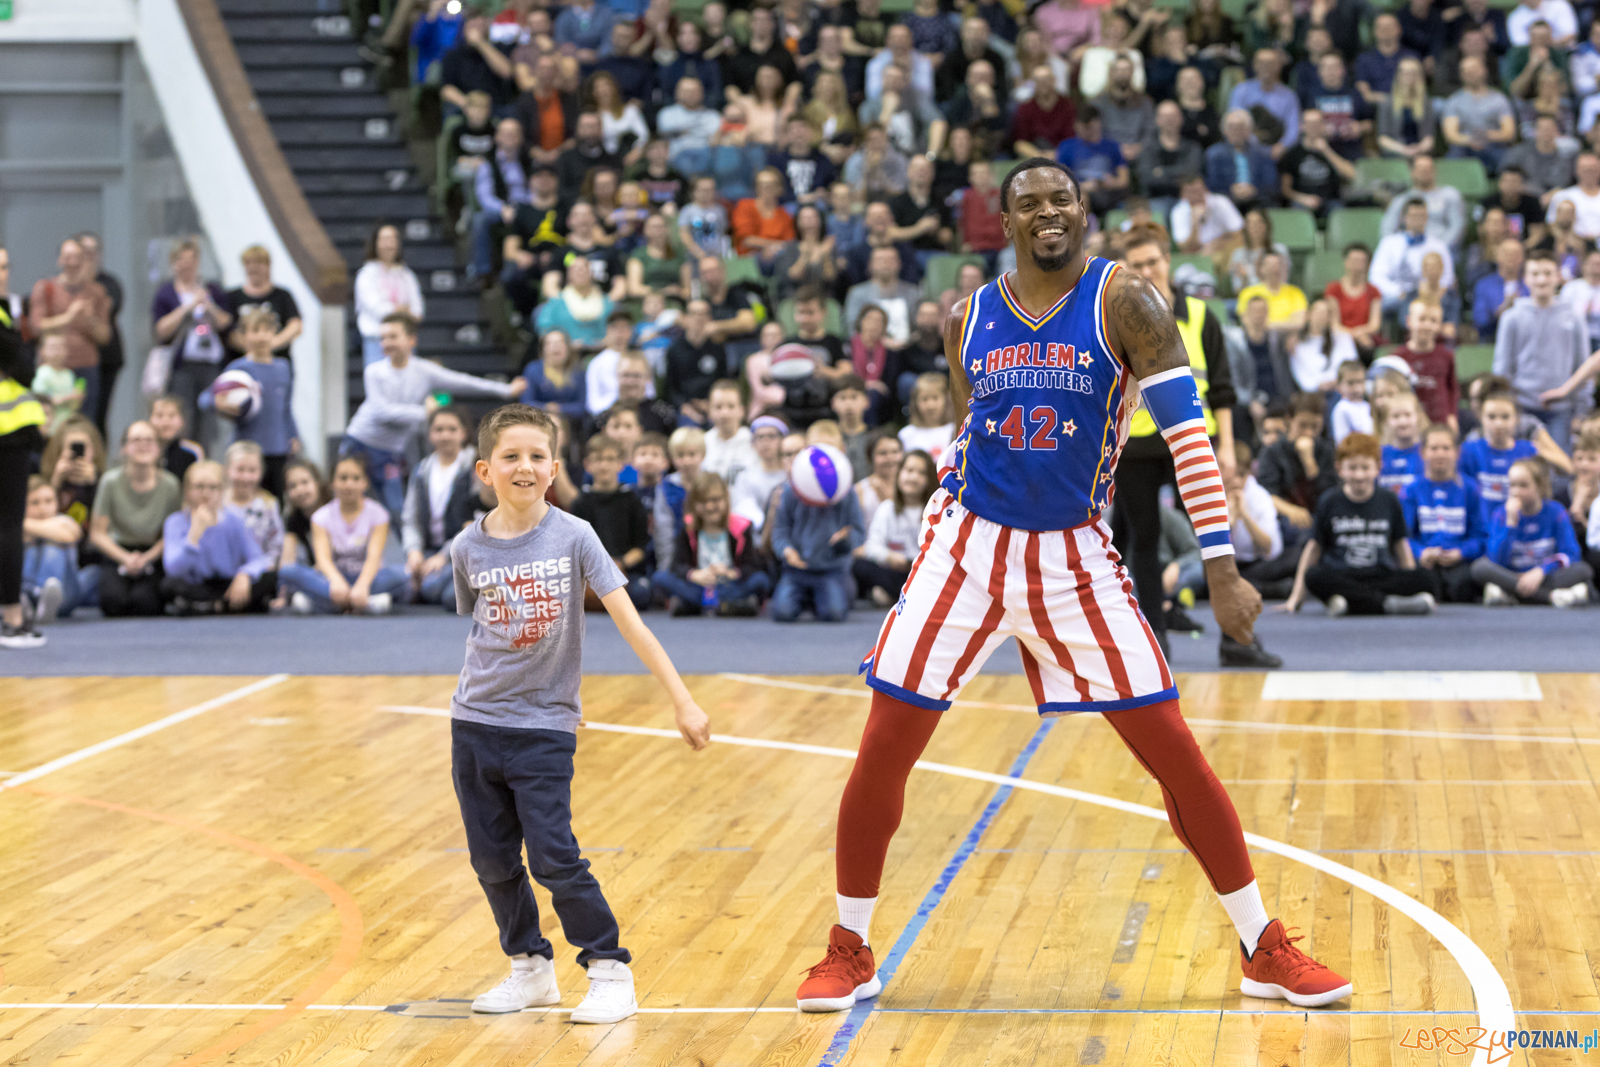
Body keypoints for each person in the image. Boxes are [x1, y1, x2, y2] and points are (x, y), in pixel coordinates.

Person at [796, 158, 1346, 1017]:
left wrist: (1222, 564)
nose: (1048, 212)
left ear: (1083, 212)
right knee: (886, 741)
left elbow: (1190, 438)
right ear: (1004, 223)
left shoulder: (1126, 301)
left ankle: (1261, 946)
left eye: (1062, 199)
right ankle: (849, 946)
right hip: (968, 544)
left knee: (1170, 745)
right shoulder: (964, 316)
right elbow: (971, 427)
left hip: (1074, 554)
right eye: (1029, 203)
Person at [448, 405, 710, 1020]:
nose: (525, 467)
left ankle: (610, 968)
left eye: (537, 456)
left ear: (555, 468)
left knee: (553, 854)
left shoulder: (575, 535)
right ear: (487, 469)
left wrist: (683, 699)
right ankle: (529, 968)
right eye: (511, 456)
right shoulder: (468, 545)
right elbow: (487, 634)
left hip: (544, 728)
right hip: (474, 724)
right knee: (490, 859)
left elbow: (633, 625)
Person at [343, 313, 525, 518]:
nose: (386, 342)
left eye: (392, 336)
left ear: (411, 340)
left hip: (390, 452)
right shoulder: (374, 372)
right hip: (359, 442)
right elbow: (381, 412)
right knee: (344, 504)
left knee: (397, 511)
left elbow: (463, 381)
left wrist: (506, 390)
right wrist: (425, 412)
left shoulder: (424, 371)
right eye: (383, 338)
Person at [1282, 432, 1437, 616]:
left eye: (1365, 467)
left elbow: (1400, 545)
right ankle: (1387, 605)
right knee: (1314, 576)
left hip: (1380, 575)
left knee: (1426, 578)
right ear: (1340, 469)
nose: (1359, 475)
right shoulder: (1329, 500)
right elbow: (1313, 548)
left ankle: (1348, 604)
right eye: (1352, 468)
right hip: (1343, 575)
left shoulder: (1389, 500)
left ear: (1378, 468)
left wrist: (1412, 583)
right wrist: (1296, 596)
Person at [278, 455, 408, 615]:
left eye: (356, 478)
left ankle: (321, 605)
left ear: (365, 482)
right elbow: (323, 559)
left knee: (404, 576)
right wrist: (337, 583)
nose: (349, 484)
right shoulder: (320, 517)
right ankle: (366, 604)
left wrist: (362, 586)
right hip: (332, 581)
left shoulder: (379, 514)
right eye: (343, 478)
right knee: (288, 572)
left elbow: (374, 557)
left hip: (369, 578)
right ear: (333, 483)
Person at [1494, 250, 1592, 449]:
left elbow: (1584, 367)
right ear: (1526, 279)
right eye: (1535, 273)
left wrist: (1581, 413)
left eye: (1547, 273)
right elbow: (1502, 367)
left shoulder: (1574, 317)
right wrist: (1507, 407)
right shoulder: (1511, 318)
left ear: (1557, 277)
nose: (1541, 280)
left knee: (1559, 474)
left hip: (1562, 411)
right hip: (1522, 408)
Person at [88, 420, 183, 618]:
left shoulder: (171, 485)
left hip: (153, 554)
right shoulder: (110, 481)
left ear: (158, 448)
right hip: (118, 552)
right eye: (136, 439)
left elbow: (172, 533)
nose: (143, 444)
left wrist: (146, 559)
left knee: (145, 604)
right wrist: (126, 559)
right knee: (113, 602)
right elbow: (98, 533)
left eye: (149, 440)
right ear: (124, 448)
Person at [160, 460, 276, 615]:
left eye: (213, 487)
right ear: (187, 491)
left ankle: (209, 606)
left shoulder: (235, 519)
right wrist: (194, 535)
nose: (206, 493)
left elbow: (257, 559)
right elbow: (173, 569)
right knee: (169, 585)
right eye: (199, 487)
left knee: (270, 577)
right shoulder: (175, 522)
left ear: (221, 491)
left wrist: (245, 574)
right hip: (197, 584)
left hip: (229, 582)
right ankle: (222, 606)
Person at [206, 308, 299, 500]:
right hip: (244, 450)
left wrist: (293, 435)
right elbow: (205, 398)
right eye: (255, 330)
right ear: (245, 335)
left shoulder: (283, 367)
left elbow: (286, 408)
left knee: (273, 501)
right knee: (242, 499)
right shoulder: (238, 369)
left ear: (274, 333)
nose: (261, 336)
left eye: (267, 330)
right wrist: (218, 403)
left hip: (276, 449)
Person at [1473, 457, 1593, 604]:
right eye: (1513, 485)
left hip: (1545, 576)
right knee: (1480, 567)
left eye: (1523, 486)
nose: (1516, 491)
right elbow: (1495, 559)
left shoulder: (1556, 512)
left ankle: (1511, 594)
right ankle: (1552, 597)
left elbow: (1571, 553)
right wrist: (1510, 525)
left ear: (1539, 486)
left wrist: (1542, 570)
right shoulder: (1501, 514)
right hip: (1513, 575)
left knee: (1583, 569)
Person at [655, 470, 769, 616]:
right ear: (694, 504)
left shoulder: (741, 528)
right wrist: (694, 574)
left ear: (726, 499)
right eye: (703, 502)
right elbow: (676, 565)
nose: (709, 506)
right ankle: (729, 605)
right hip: (699, 586)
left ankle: (693, 605)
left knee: (760, 580)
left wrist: (731, 573)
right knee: (660, 578)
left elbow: (751, 566)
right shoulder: (688, 528)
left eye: (715, 500)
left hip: (728, 583)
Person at [31, 238, 113, 433]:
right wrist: (68, 317)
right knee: (49, 424)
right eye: (68, 257)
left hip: (85, 368)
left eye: (77, 257)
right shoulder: (46, 288)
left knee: (85, 424)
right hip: (51, 369)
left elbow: (105, 337)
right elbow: (36, 326)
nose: (73, 263)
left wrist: (90, 319)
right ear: (60, 259)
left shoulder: (96, 292)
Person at [0, 311, 47, 647]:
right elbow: (25, 369)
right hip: (9, 429)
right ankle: (12, 618)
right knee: (7, 525)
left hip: (13, 432)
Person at [402, 406, 476, 610]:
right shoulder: (421, 470)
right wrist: (414, 552)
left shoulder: (475, 467)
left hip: (462, 552)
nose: (445, 435)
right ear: (430, 434)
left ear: (463, 433)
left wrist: (444, 556)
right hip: (428, 552)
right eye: (439, 429)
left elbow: (477, 523)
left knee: (432, 588)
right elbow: (410, 518)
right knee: (398, 579)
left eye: (452, 429)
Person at [1404, 422, 1487, 602]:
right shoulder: (1411, 490)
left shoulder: (1471, 489)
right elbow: (1404, 536)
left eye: (1446, 448)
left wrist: (1461, 552)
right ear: (1423, 452)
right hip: (1426, 562)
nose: (1440, 454)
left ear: (1457, 453)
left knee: (1467, 583)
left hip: (1460, 562)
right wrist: (1421, 552)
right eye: (1434, 448)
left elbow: (1481, 536)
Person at [571, 435, 652, 609]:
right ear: (588, 465)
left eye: (610, 459)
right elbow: (575, 549)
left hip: (625, 571)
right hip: (590, 573)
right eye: (598, 460)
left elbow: (640, 546)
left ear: (620, 464)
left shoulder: (632, 499)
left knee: (642, 592)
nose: (604, 465)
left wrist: (620, 564)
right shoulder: (580, 502)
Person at [852, 449, 936, 605]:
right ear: (899, 473)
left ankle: (898, 597)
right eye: (909, 470)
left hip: (923, 572)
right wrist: (891, 557)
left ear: (929, 479)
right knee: (860, 566)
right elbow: (872, 547)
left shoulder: (935, 511)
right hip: (894, 570)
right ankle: (909, 598)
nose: (913, 477)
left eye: (921, 473)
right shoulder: (887, 508)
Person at [1460, 387, 1540, 518]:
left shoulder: (1528, 451)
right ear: (1481, 418)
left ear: (1517, 419)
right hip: (1480, 530)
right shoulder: (1469, 450)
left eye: (1505, 417)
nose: (1498, 423)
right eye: (1491, 417)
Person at [353, 224, 424, 368]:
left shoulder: (406, 274)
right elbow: (378, 309)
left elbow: (418, 311)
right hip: (377, 342)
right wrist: (404, 310)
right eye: (384, 239)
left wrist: (397, 309)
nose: (389, 244)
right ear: (375, 243)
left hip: (405, 343)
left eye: (392, 239)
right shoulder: (366, 275)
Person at [1371, 199, 1456, 319]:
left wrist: (1430, 293)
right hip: (1397, 297)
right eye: (1414, 215)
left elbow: (1447, 278)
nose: (1418, 219)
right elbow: (1376, 276)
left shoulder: (1438, 246)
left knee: (1450, 301)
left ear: (1427, 218)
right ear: (1404, 218)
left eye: (1422, 216)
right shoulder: (1389, 243)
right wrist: (1398, 292)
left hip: (1431, 296)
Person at [223, 245, 302, 362]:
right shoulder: (232, 296)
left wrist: (273, 343)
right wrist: (253, 348)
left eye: (258, 263)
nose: (253, 268)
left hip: (277, 360)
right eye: (248, 263)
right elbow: (227, 329)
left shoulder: (283, 295)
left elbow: (295, 325)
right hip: (240, 361)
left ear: (268, 265)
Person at [1440, 56, 1517, 171]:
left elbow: (1509, 133)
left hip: (1493, 145)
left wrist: (1485, 137)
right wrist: (1471, 140)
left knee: (1511, 161)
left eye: (1474, 69)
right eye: (1465, 70)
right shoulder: (1454, 101)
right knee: (1452, 158)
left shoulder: (1499, 99)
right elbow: (1450, 135)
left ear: (1484, 71)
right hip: (1464, 146)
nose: (1469, 73)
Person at [663, 302, 728, 429]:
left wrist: (712, 404)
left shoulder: (718, 349)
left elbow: (723, 381)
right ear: (686, 318)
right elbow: (670, 387)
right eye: (694, 314)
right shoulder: (674, 350)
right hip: (686, 407)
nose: (699, 318)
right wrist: (684, 406)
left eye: (703, 314)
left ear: (709, 318)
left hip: (713, 406)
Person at [1397, 300, 1460, 430]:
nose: (1427, 325)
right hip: (1410, 424)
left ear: (1439, 325)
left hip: (1439, 421)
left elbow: (1452, 389)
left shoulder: (1446, 356)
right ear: (1409, 321)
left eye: (1433, 321)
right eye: (1422, 319)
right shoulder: (1398, 357)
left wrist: (1452, 415)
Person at [1380, 158, 1467, 252]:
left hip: (1440, 251)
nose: (1424, 171)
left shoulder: (1450, 195)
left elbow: (1457, 227)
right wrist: (1396, 250)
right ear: (1412, 172)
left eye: (1428, 168)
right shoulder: (1401, 200)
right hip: (1408, 249)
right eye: (1420, 168)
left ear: (1435, 171)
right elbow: (1387, 230)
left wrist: (1439, 248)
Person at [1056, 106, 1131, 214]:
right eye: (1083, 127)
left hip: (1107, 194)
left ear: (1098, 123)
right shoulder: (1066, 147)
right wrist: (1082, 186)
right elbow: (1060, 182)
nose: (1086, 131)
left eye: (1089, 126)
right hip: (1079, 193)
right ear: (1076, 125)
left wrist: (1112, 183)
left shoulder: (1112, 146)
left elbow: (1124, 180)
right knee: (1081, 197)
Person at [1204, 110, 1278, 214]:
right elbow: (1211, 183)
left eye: (1240, 127)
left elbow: (1270, 183)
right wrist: (1231, 190)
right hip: (1226, 201)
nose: (1236, 131)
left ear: (1249, 130)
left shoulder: (1263, 154)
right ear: (1224, 130)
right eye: (1231, 127)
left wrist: (1254, 190)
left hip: (1257, 201)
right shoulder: (1213, 154)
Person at [1170, 174, 1244, 259]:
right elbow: (1185, 249)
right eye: (1191, 192)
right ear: (1183, 195)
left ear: (1205, 189)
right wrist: (1194, 223)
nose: (1196, 196)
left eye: (1198, 191)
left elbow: (1240, 232)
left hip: (1223, 251)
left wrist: (1217, 243)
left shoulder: (1221, 202)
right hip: (1196, 258)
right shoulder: (1178, 212)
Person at [1376, 57, 1436, 159]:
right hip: (1395, 153)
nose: (1410, 77)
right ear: (1398, 75)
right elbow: (1382, 138)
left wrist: (1418, 149)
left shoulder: (1426, 103)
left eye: (1414, 73)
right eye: (1406, 73)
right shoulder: (1387, 103)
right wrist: (1404, 150)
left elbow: (1429, 137)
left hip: (1420, 154)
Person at [1474, 237, 1531, 343]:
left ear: (1522, 257)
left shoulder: (1530, 285)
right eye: (1507, 253)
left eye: (1515, 253)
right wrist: (1498, 313)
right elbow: (1479, 320)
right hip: (1491, 341)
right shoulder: (1484, 285)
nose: (1511, 257)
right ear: (1498, 256)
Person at [1235, 252, 1308, 334]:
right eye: (1270, 265)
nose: (1275, 268)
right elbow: (1246, 321)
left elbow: (1299, 323)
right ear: (1261, 269)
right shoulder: (1248, 292)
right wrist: (1286, 324)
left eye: (1278, 264)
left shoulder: (1296, 293)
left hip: (1288, 338)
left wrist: (1269, 325)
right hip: (1258, 338)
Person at [1378, 391, 1426, 495]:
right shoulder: (1379, 454)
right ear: (1386, 420)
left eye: (1408, 415)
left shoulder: (1427, 453)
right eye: (1396, 416)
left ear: (1418, 416)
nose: (1402, 422)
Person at [1546, 152, 1600, 241]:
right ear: (1577, 171)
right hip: (1574, 242)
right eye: (1585, 170)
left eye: (1593, 170)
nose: (1589, 174)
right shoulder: (1563, 196)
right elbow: (1552, 224)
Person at [150, 394, 204, 483]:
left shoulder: (192, 452)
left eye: (171, 416)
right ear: (150, 419)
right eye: (159, 416)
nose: (165, 421)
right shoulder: (144, 450)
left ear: (182, 421)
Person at [897, 373, 954, 455]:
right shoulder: (906, 435)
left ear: (946, 399)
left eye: (935, 398)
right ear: (915, 402)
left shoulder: (954, 431)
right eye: (924, 399)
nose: (930, 405)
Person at [1329, 360, 1373, 442]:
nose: (1356, 388)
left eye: (1360, 382)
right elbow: (1341, 440)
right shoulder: (1342, 409)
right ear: (1339, 385)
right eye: (1350, 383)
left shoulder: (1367, 406)